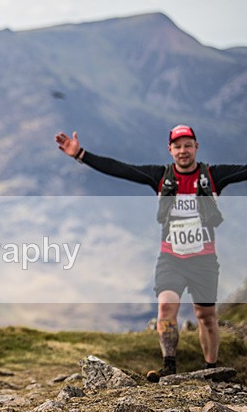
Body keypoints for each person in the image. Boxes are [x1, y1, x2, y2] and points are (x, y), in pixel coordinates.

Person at [55, 125, 247, 381]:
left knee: (206, 316)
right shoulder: (160, 176)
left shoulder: (213, 176)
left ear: (196, 147)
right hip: (171, 258)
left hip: (204, 260)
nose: (183, 151)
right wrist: (81, 155)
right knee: (166, 307)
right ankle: (169, 365)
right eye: (177, 146)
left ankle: (211, 368)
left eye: (188, 145)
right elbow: (120, 169)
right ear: (170, 150)